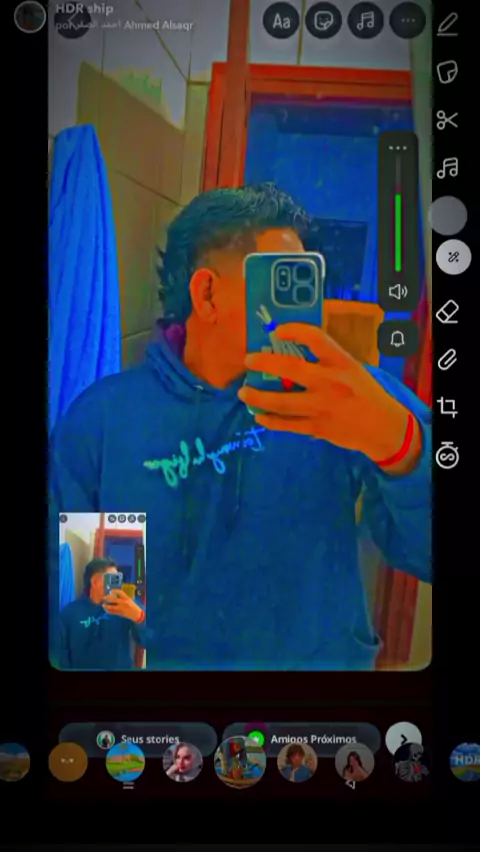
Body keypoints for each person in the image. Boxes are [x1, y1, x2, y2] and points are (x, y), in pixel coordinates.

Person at [49, 183, 432, 671]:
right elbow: (84, 609)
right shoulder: (105, 422)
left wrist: (403, 446)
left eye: (306, 281)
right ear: (206, 293)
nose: (303, 302)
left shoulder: (349, 396)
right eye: (282, 281)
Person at [57, 557, 147, 670]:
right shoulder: (70, 612)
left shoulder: (127, 607)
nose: (117, 583)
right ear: (94, 581)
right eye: (112, 578)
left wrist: (140, 617)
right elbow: (62, 654)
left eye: (118, 578)